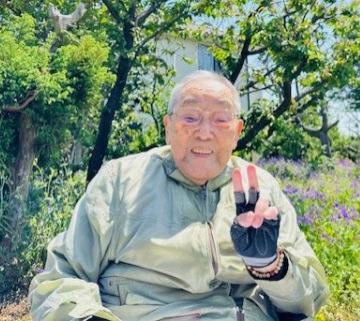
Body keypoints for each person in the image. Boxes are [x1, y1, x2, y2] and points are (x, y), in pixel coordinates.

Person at [29, 70, 328, 320]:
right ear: (168, 127)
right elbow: (60, 279)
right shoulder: (119, 181)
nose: (204, 132)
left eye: (220, 120)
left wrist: (271, 267)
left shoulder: (260, 189)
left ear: (237, 132)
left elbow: (309, 300)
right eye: (190, 117)